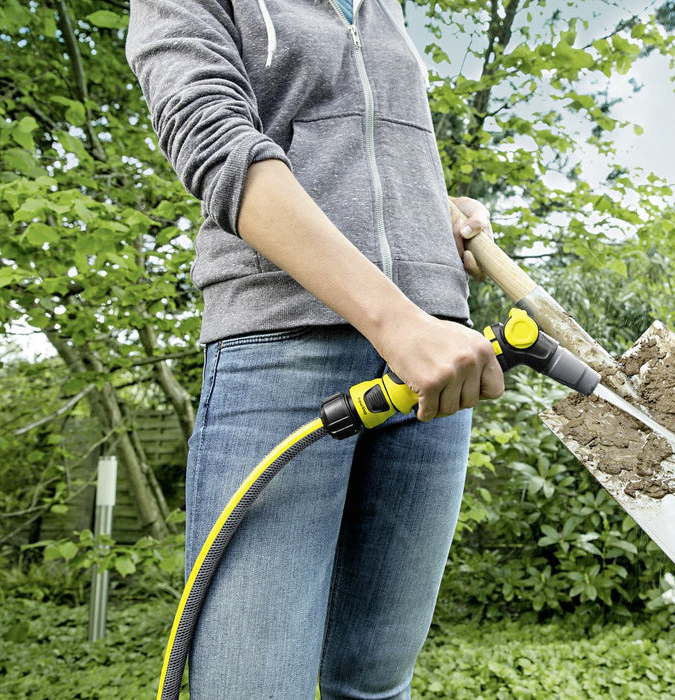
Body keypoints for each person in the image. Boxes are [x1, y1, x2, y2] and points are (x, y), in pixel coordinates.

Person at [126, 0, 505, 697]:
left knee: (373, 686)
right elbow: (214, 141)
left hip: (432, 366)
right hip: (282, 349)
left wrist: (433, 205)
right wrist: (396, 322)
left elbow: (360, 149)